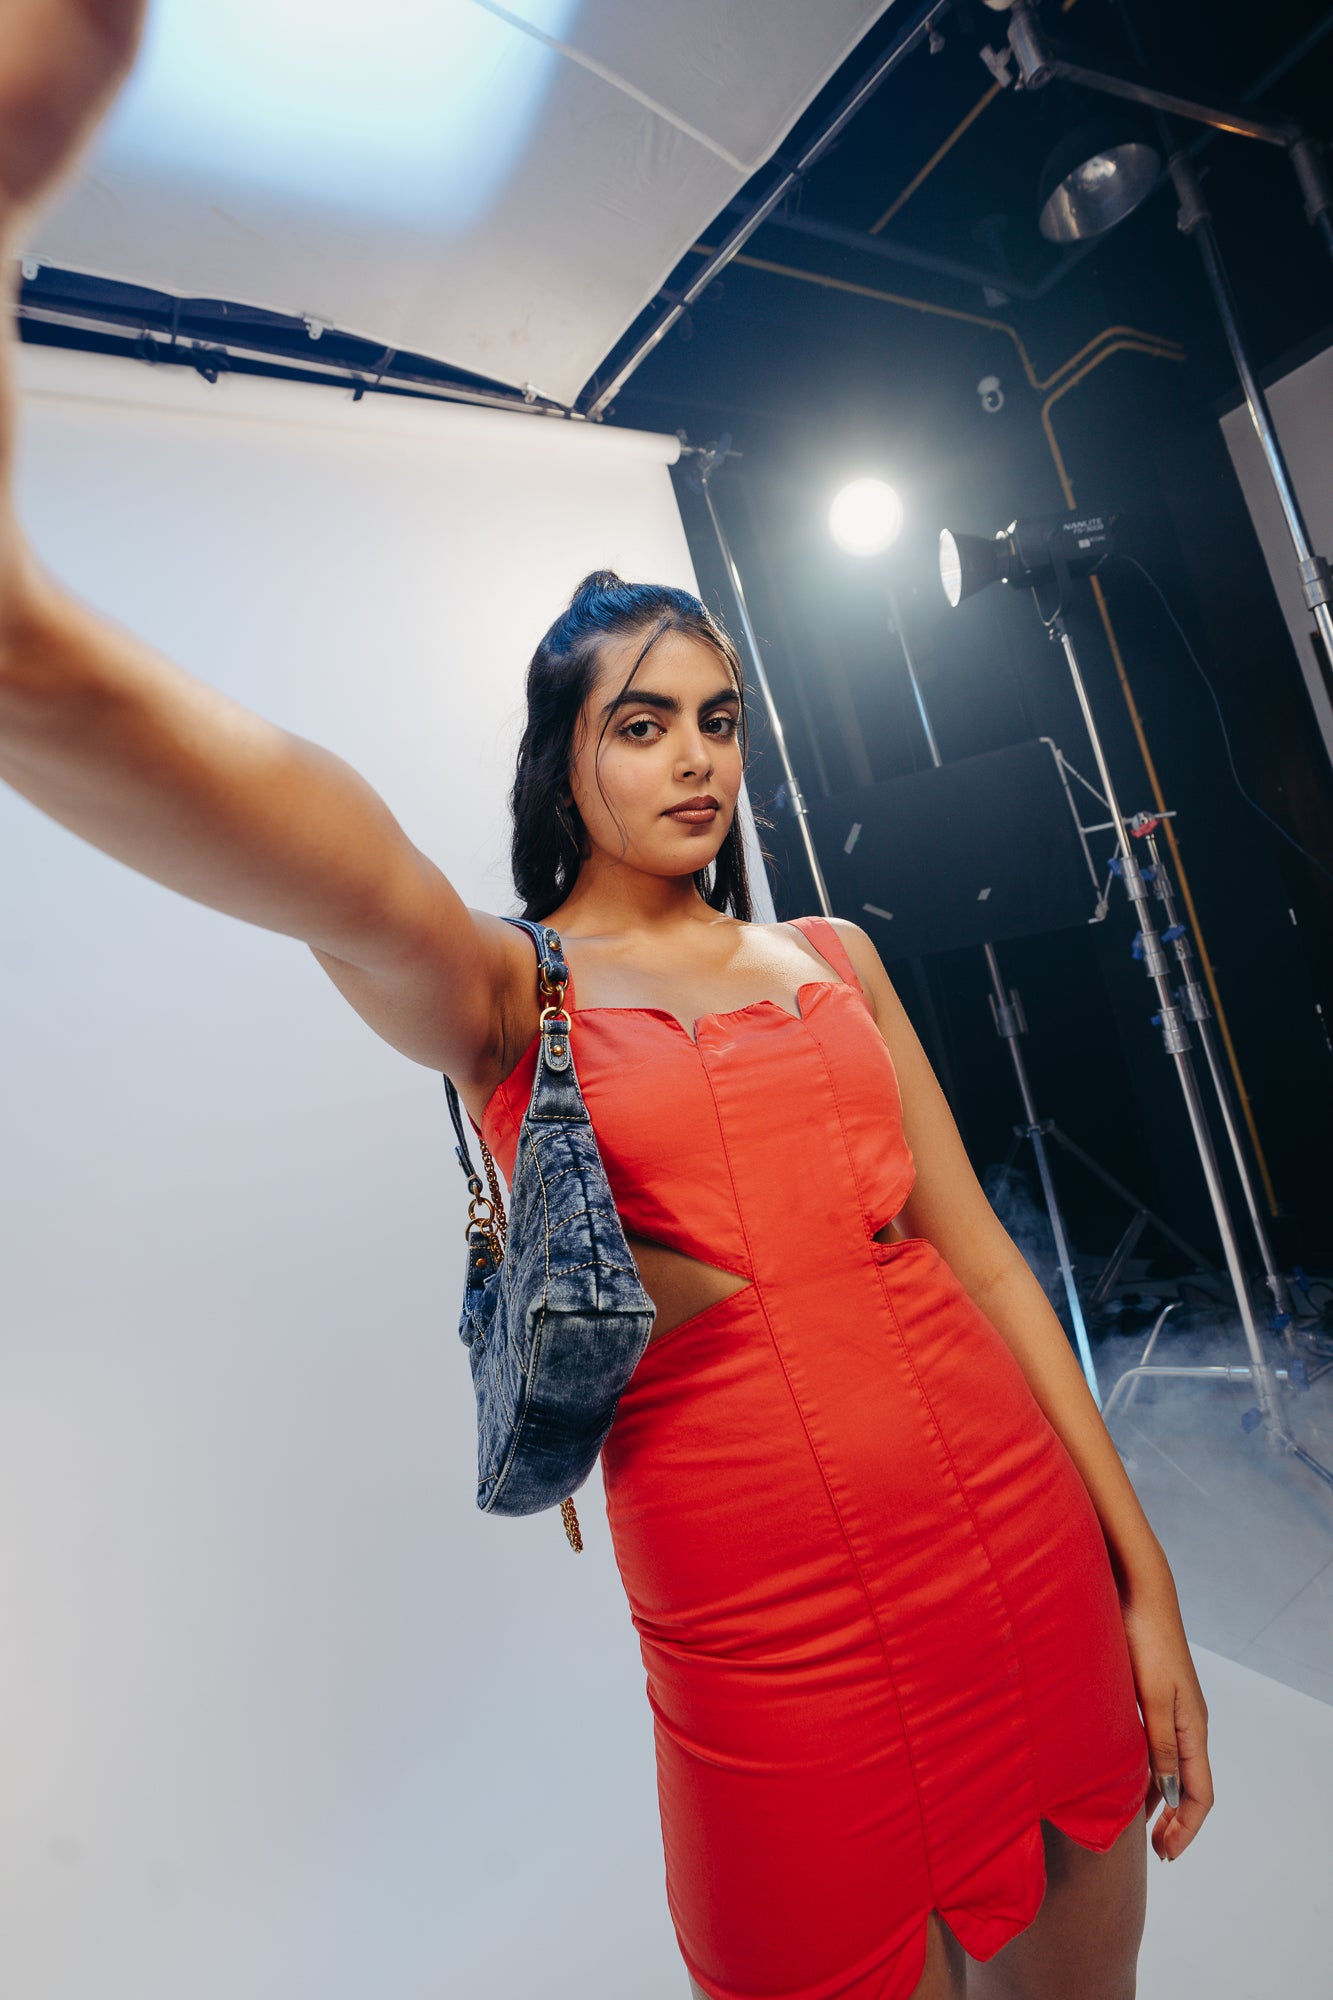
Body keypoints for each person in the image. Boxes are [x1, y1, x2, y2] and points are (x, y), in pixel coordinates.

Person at [1, 9, 1212, 2000]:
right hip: (771, 1666)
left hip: (1019, 1567)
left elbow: (995, 1274)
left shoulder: (834, 957)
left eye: (720, 719)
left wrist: (1143, 1580)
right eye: (641, 721)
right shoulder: (503, 991)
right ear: (566, 755)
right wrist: (25, 642)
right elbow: (320, 846)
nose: (695, 758)